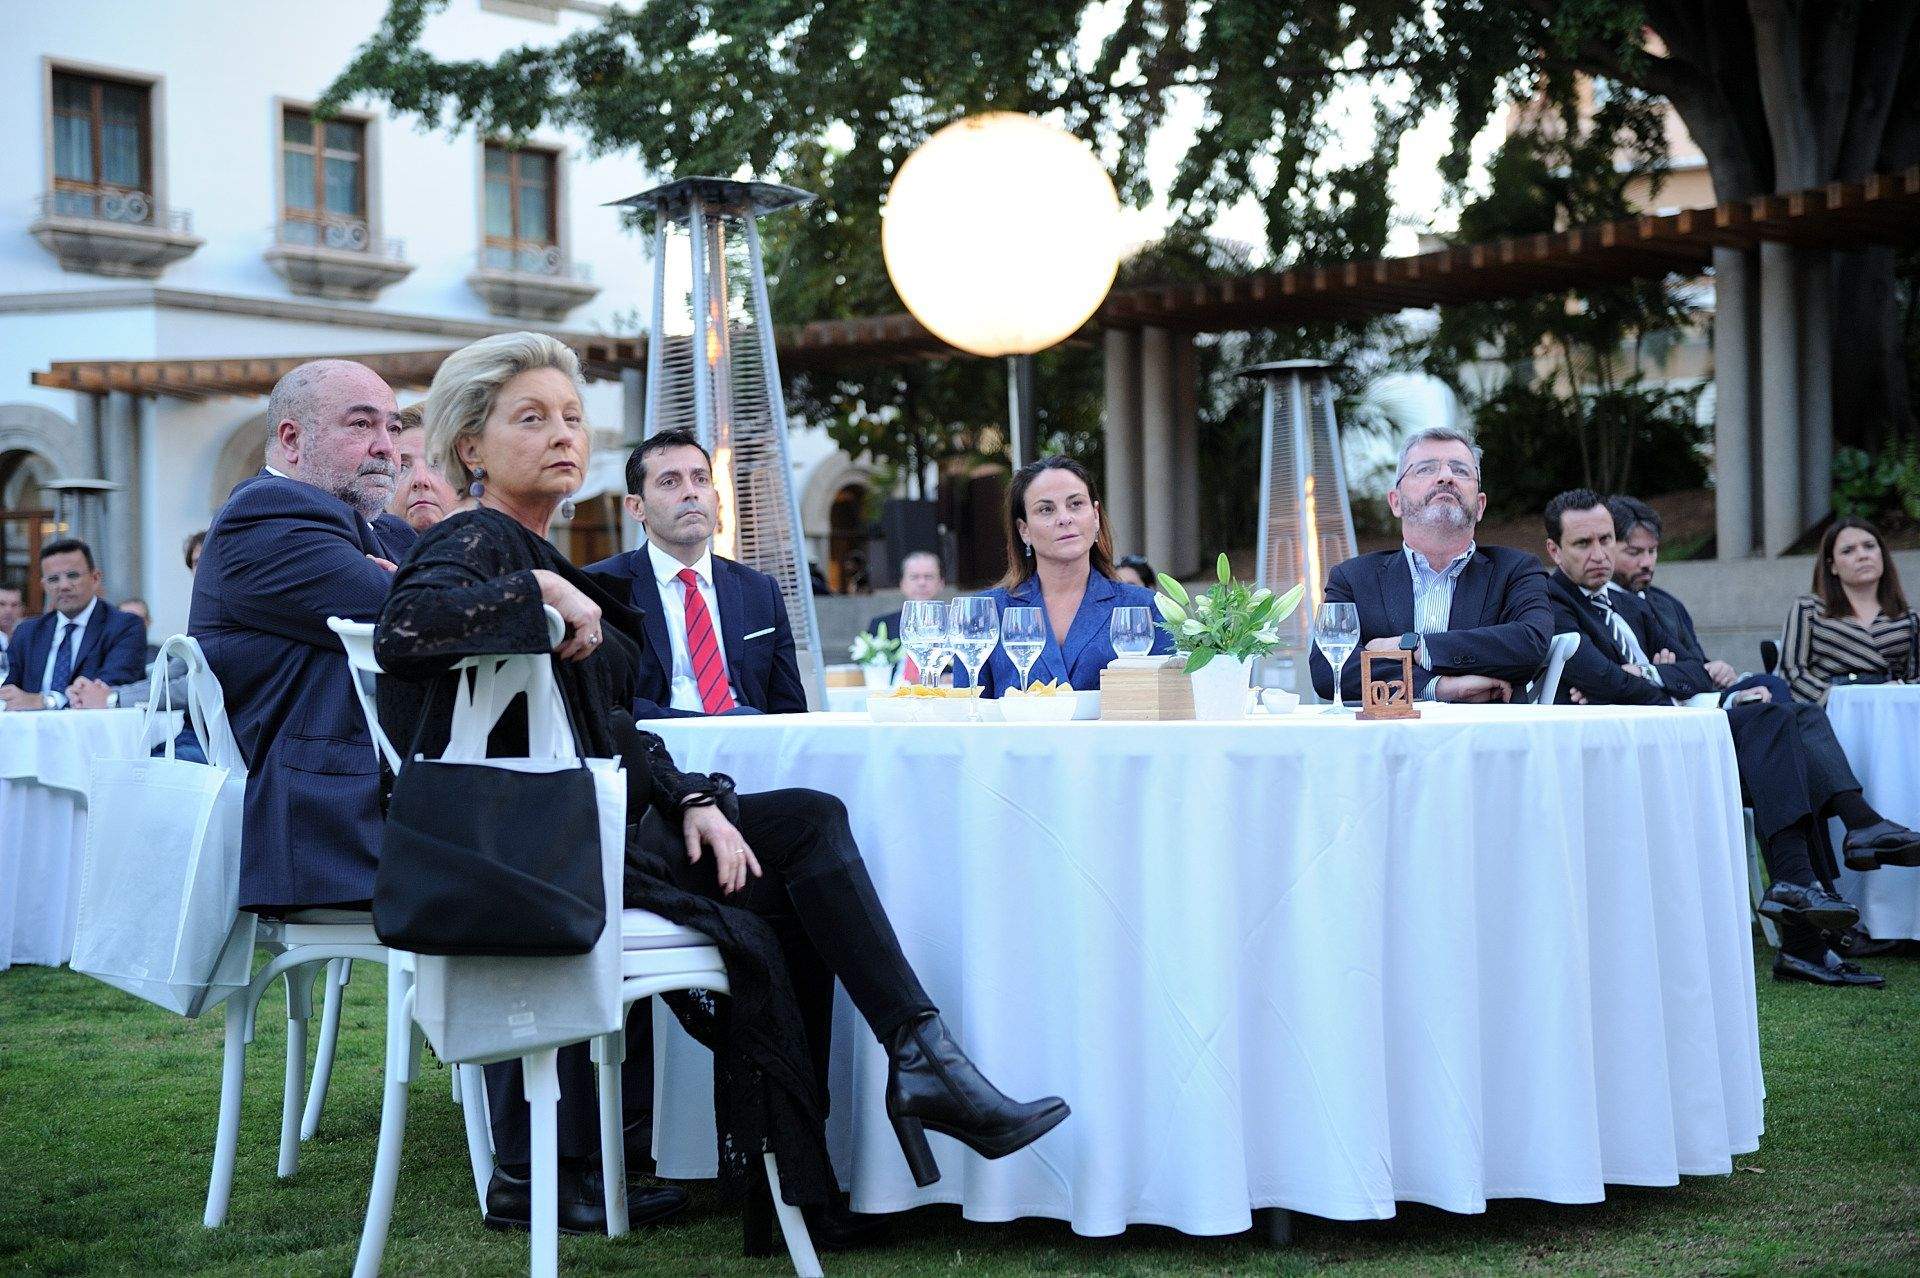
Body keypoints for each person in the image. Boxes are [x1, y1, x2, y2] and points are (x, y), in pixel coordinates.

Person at [377, 332, 1068, 1242]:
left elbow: (613, 729)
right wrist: (543, 585)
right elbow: (405, 628)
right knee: (803, 849)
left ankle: (830, 1157)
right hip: (540, 849)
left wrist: (696, 799)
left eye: (573, 418)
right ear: (471, 447)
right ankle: (871, 1116)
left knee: (796, 860)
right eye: (532, 419)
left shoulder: (529, 544)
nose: (562, 436)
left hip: (592, 822)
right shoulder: (478, 537)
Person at [1543, 489, 1912, 988]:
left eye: (1606, 539)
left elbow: (1690, 669)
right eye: (1583, 543)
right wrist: (1646, 679)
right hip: (1622, 750)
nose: (1600, 554)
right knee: (1779, 718)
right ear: (1554, 550)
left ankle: (1804, 899)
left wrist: (1645, 676)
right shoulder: (1550, 603)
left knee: (1787, 721)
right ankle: (1851, 838)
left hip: (1676, 732)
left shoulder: (1628, 603)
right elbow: (1609, 681)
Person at [188, 358, 401, 912]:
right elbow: (411, 614)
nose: (385, 446)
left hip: (385, 797)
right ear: (291, 439)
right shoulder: (263, 515)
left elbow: (438, 597)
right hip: (325, 819)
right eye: (361, 425)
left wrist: (411, 584)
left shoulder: (384, 530)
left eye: (392, 427)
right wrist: (411, 587)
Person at [1308, 427, 1552, 704]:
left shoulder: (1516, 570)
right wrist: (1438, 686)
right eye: (1425, 469)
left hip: (1485, 739)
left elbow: (1530, 643)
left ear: (1480, 506)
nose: (1446, 476)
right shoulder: (1353, 578)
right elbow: (1330, 671)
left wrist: (1416, 646)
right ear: (1396, 502)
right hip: (1387, 741)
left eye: (1460, 470)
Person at [586, 428, 807, 717]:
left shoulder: (759, 591)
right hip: (657, 750)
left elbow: (789, 708)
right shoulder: (603, 588)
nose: (691, 492)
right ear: (636, 507)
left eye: (700, 479)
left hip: (751, 746)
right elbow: (607, 703)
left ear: (716, 498)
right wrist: (711, 727)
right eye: (669, 482)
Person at [959, 456, 1171, 697]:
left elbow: (1167, 709)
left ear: (1095, 515)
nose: (1064, 518)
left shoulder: (1145, 607)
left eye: (1076, 504)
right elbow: (967, 718)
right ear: (1024, 530)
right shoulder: (986, 613)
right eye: (1046, 509)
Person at [1779, 517, 1918, 705]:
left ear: (1882, 555)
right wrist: (1842, 702)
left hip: (1890, 712)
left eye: (1869, 546)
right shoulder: (1809, 608)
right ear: (1832, 566)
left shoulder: (1908, 617)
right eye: (1848, 550)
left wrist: (1896, 692)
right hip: (1829, 713)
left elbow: (1915, 679)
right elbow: (1791, 672)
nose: (1862, 555)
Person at [0, 538, 148, 710]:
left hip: (94, 731)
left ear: (95, 578)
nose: (63, 586)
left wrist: (47, 701)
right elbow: (8, 685)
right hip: (31, 733)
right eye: (53, 579)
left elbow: (108, 688)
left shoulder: (125, 626)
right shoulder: (28, 632)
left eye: (73, 575)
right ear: (44, 585)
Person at [388, 401, 468, 533]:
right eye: (402, 467)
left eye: (437, 463)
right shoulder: (354, 549)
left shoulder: (504, 546)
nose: (420, 480)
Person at [866, 550, 944, 683]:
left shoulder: (953, 626)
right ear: (902, 584)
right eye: (914, 577)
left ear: (941, 583)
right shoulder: (881, 624)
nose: (922, 583)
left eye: (929, 577)